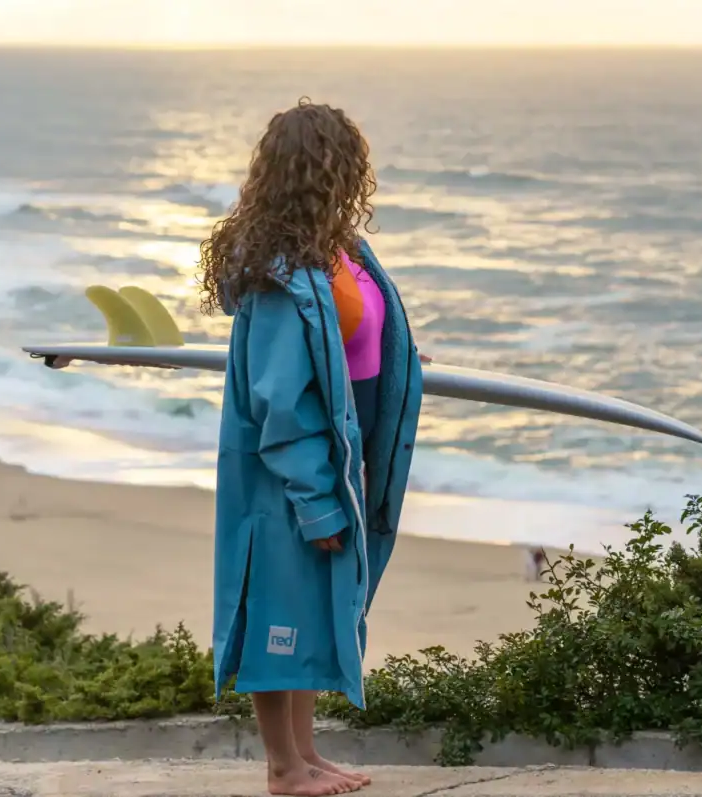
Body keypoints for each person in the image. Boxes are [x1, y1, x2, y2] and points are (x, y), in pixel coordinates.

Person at [197, 98, 424, 796]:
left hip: (341, 458)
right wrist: (318, 499)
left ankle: (306, 753)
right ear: (327, 170)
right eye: (348, 164)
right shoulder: (277, 271)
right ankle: (282, 768)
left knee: (314, 607)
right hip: (290, 470)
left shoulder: (342, 248)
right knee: (277, 609)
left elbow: (365, 339)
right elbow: (276, 398)